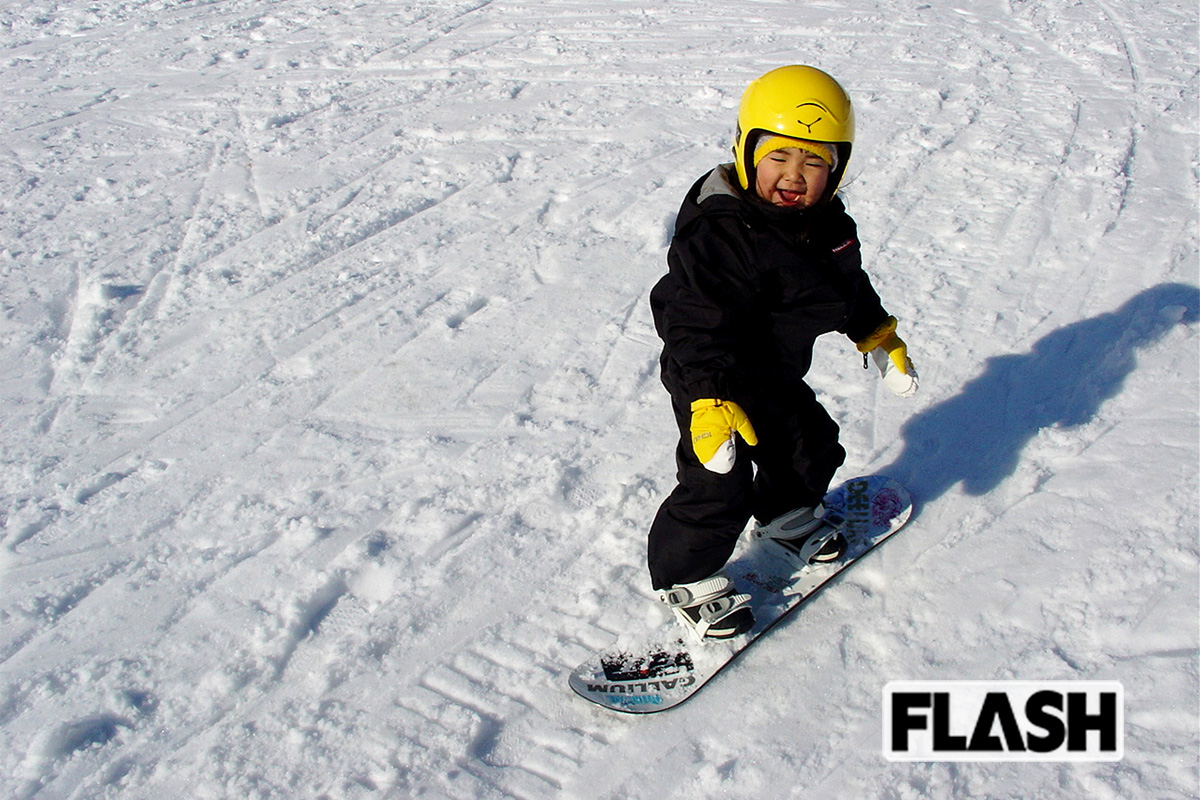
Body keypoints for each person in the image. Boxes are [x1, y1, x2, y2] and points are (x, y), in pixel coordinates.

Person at [647, 65, 919, 641]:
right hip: (712, 376)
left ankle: (786, 519)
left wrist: (874, 332)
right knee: (717, 482)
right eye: (779, 157)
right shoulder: (720, 232)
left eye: (815, 161)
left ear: (838, 167)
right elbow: (695, 320)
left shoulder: (824, 225)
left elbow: (843, 284)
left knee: (807, 442)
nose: (795, 176)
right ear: (746, 152)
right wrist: (706, 399)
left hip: (773, 369)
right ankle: (687, 581)